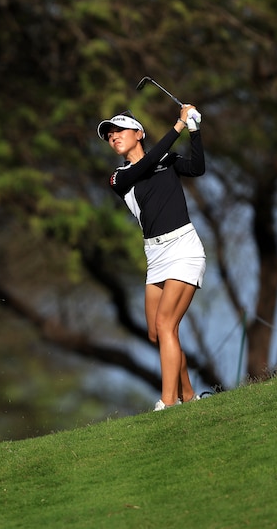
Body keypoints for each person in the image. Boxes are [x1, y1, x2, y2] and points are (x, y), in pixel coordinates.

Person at [97, 106, 205, 411]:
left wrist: (194, 130)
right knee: (157, 332)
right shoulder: (119, 177)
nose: (113, 136)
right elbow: (145, 166)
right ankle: (189, 396)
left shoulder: (165, 160)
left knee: (166, 324)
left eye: (119, 130)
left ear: (139, 133)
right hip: (155, 255)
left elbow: (197, 168)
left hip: (183, 246)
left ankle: (168, 403)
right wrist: (179, 125)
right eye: (109, 135)